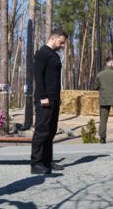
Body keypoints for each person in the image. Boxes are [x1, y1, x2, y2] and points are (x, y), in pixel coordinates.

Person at [30, 28, 68, 175]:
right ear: (54, 38)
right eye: (61, 42)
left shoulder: (54, 55)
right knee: (41, 131)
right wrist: (42, 96)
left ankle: (47, 161)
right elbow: (38, 77)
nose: (62, 45)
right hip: (44, 99)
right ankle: (36, 164)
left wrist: (57, 98)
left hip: (54, 99)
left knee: (51, 132)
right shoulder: (42, 54)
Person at [93, 57, 113, 144]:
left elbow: (95, 87)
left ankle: (102, 138)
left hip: (104, 100)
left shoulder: (99, 75)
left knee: (103, 120)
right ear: (110, 63)